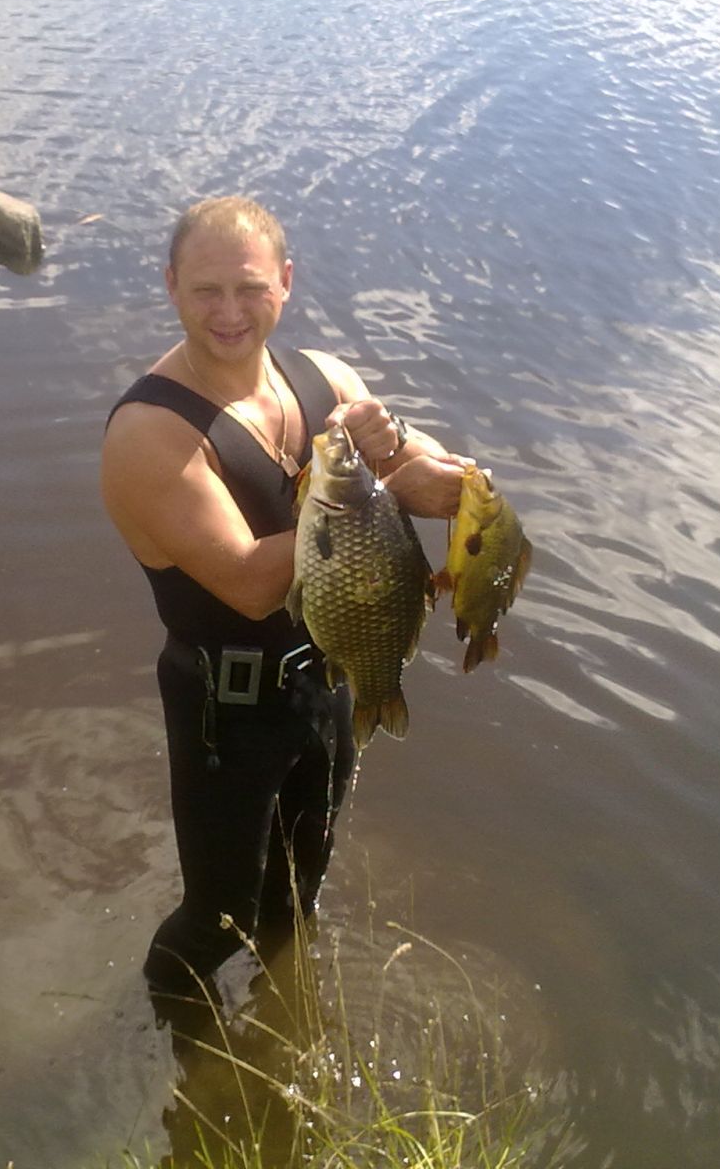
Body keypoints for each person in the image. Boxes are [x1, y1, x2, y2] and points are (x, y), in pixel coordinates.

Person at [101, 196, 472, 998]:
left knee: (301, 893)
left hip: (331, 677)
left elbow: (422, 463)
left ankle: (278, 1021)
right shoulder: (150, 432)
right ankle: (168, 1028)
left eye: (250, 288)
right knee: (218, 913)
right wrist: (387, 491)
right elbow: (245, 581)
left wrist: (437, 468)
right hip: (224, 707)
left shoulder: (325, 380)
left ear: (286, 283)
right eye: (206, 290)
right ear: (171, 286)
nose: (229, 313)